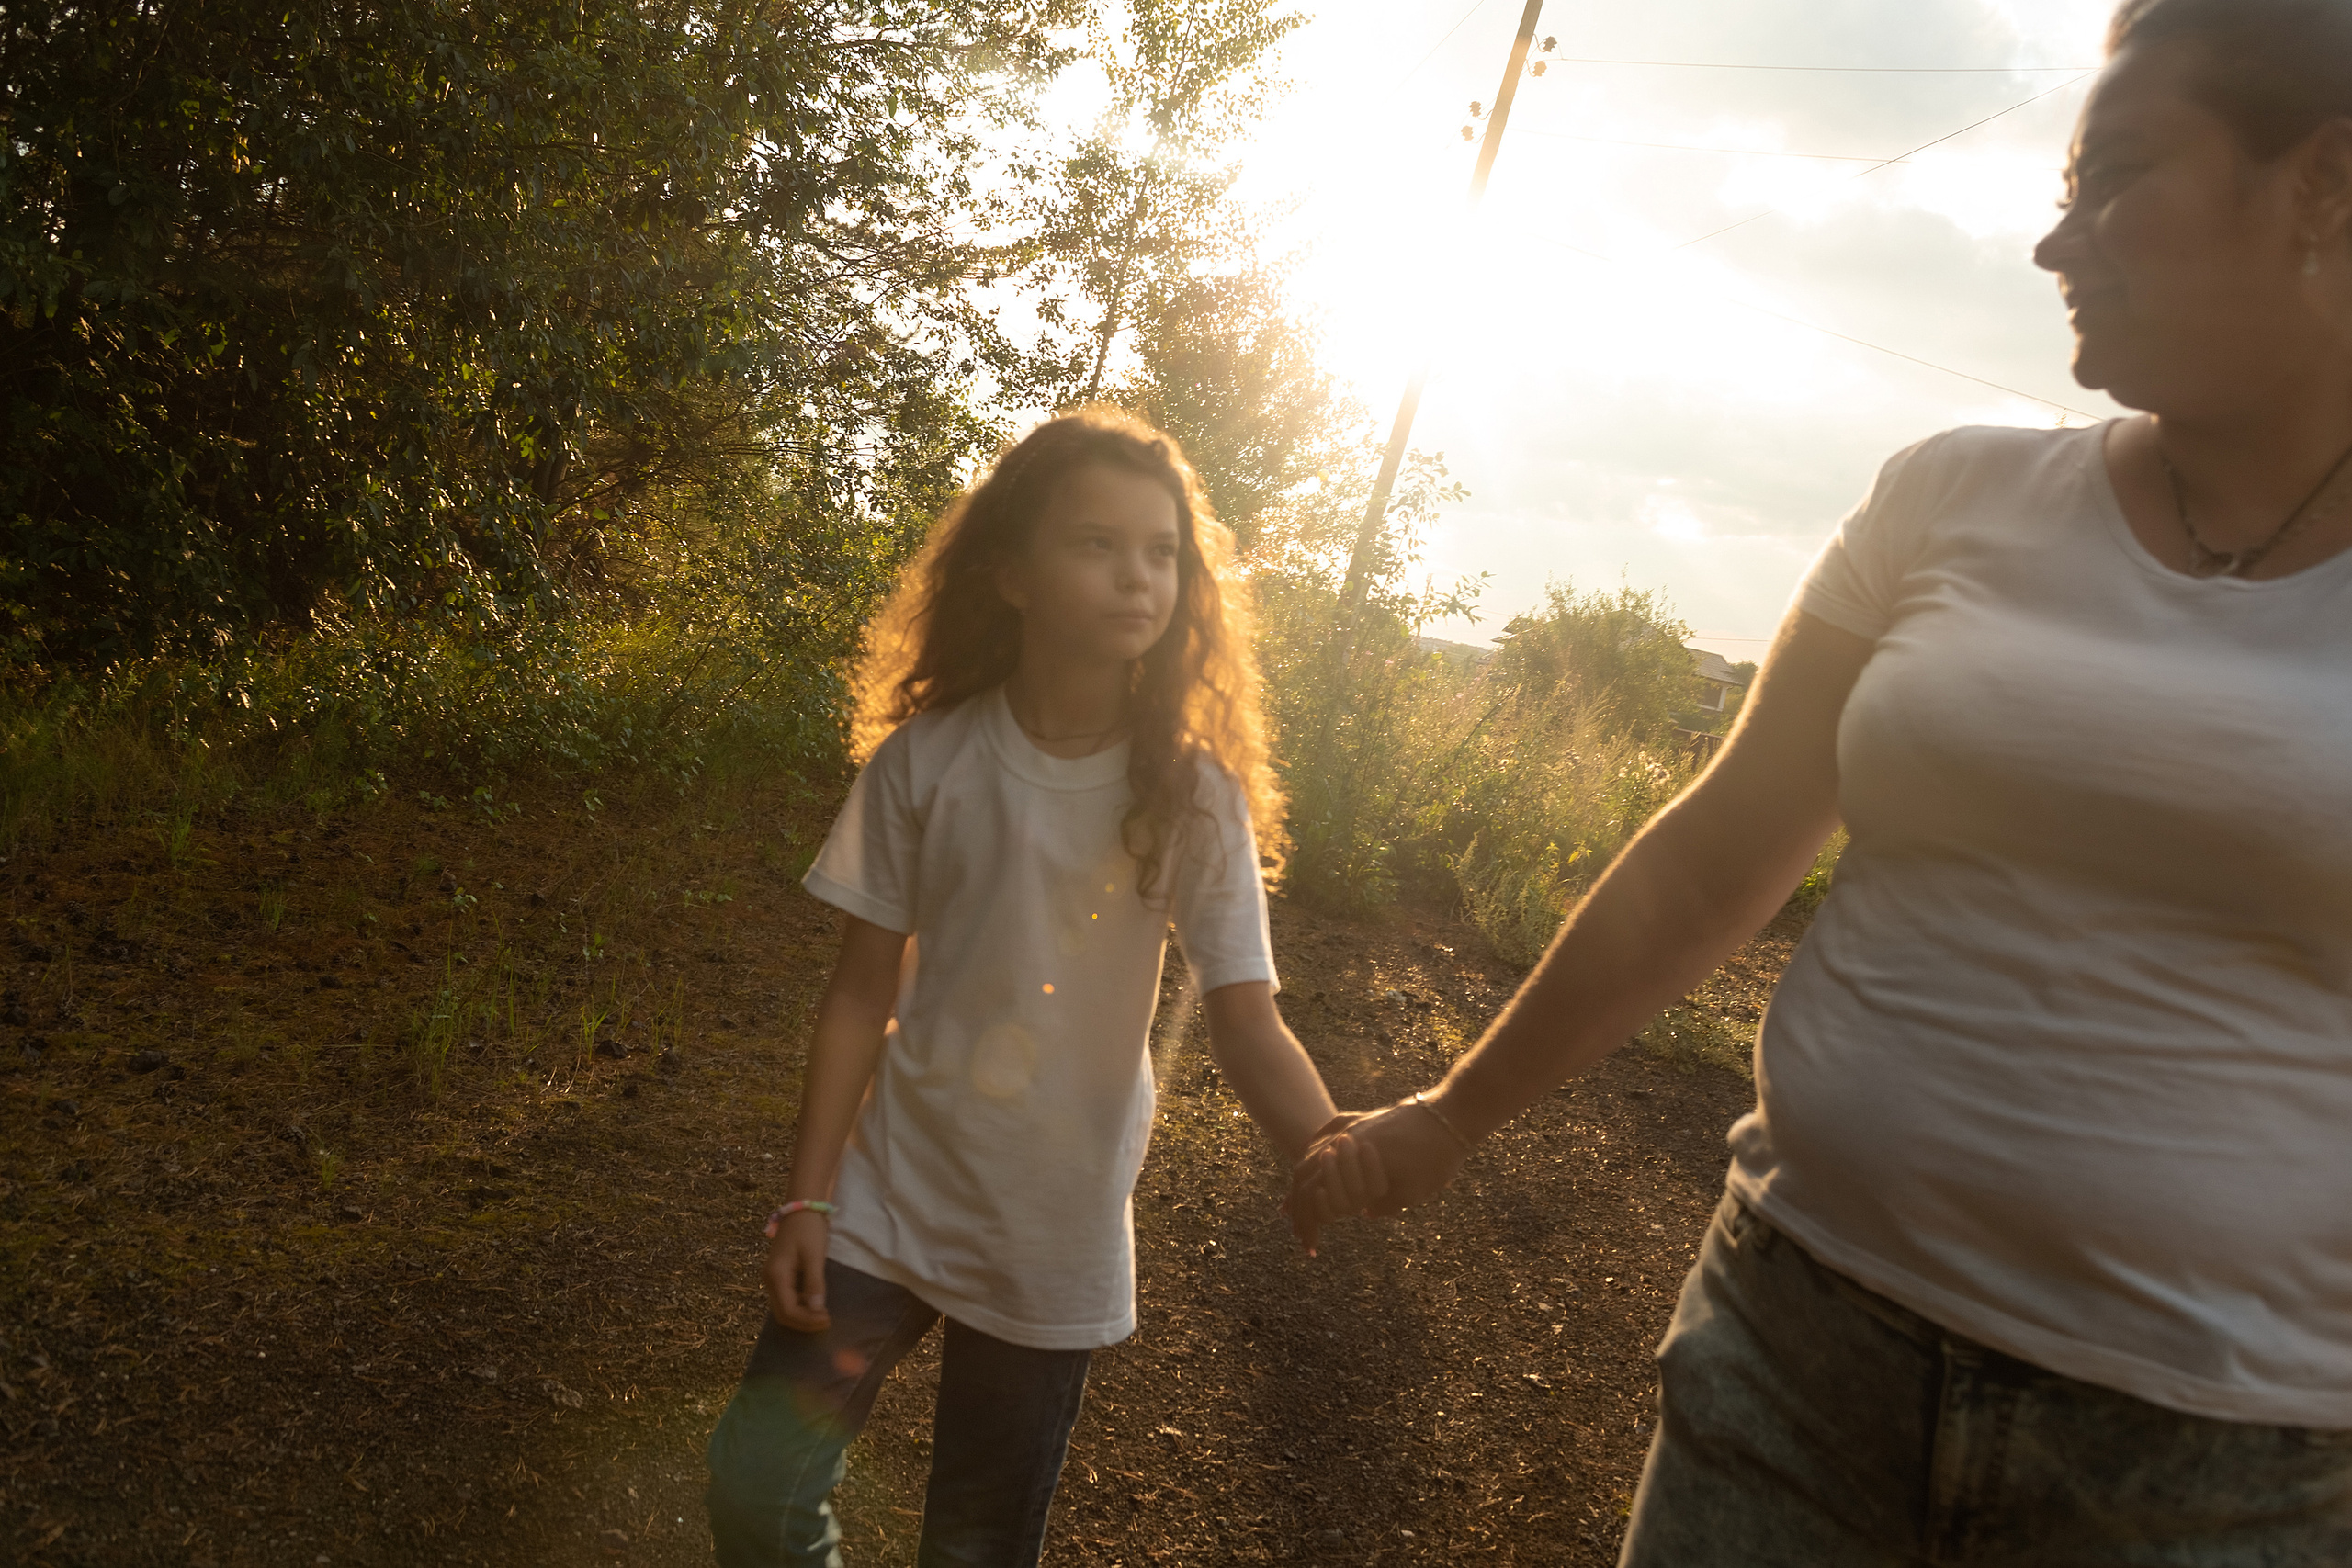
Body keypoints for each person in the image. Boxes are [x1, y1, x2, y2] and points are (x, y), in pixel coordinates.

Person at [1293, 0, 2352, 1560]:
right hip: (1796, 1350)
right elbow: (1712, 854)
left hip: (2227, 1467)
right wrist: (1456, 1114)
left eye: (2115, 173)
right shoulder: (1950, 497)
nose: (2057, 243)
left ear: (2324, 183)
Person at [704, 408, 1342, 1568]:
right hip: (885, 1197)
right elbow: (858, 994)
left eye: (1161, 551)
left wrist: (1329, 1144)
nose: (1136, 576)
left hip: (1051, 1228)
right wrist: (807, 1200)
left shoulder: (1196, 798)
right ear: (1010, 573)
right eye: (1096, 543)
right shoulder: (928, 761)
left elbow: (1247, 1020)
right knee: (755, 1484)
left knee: (975, 1546)